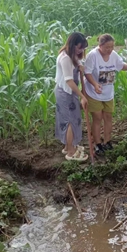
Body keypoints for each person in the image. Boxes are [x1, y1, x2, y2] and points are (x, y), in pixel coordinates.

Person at [83, 34, 127, 155]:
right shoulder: (93, 56)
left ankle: (107, 141)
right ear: (100, 45)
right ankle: (97, 144)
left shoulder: (113, 55)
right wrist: (95, 84)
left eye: (112, 47)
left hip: (108, 93)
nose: (110, 49)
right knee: (97, 118)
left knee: (108, 118)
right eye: (107, 47)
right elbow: (87, 72)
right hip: (94, 93)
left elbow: (122, 66)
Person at [55, 32, 89, 161]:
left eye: (83, 48)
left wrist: (80, 65)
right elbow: (69, 80)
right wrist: (82, 96)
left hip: (70, 92)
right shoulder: (65, 58)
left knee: (71, 119)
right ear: (72, 44)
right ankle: (70, 152)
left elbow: (77, 61)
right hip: (65, 93)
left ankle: (69, 145)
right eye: (79, 47)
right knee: (70, 120)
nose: (81, 50)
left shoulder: (72, 55)